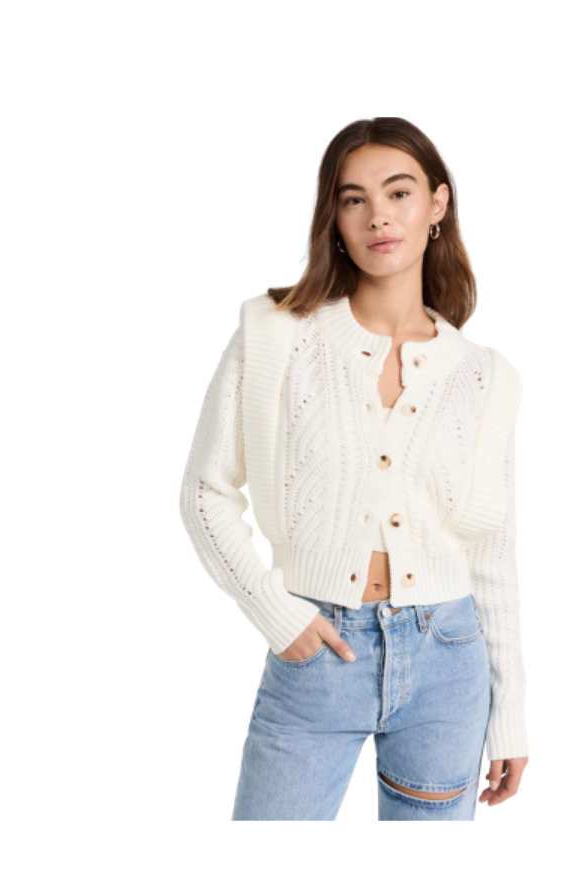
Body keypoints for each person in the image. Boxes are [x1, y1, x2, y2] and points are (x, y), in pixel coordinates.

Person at [176, 114, 531, 823]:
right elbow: (204, 494)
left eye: (398, 193)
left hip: (449, 659)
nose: (378, 217)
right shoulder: (272, 329)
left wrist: (511, 716)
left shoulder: (489, 374)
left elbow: (493, 552)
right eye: (353, 198)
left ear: (437, 203)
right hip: (314, 648)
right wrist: (277, 614)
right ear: (333, 218)